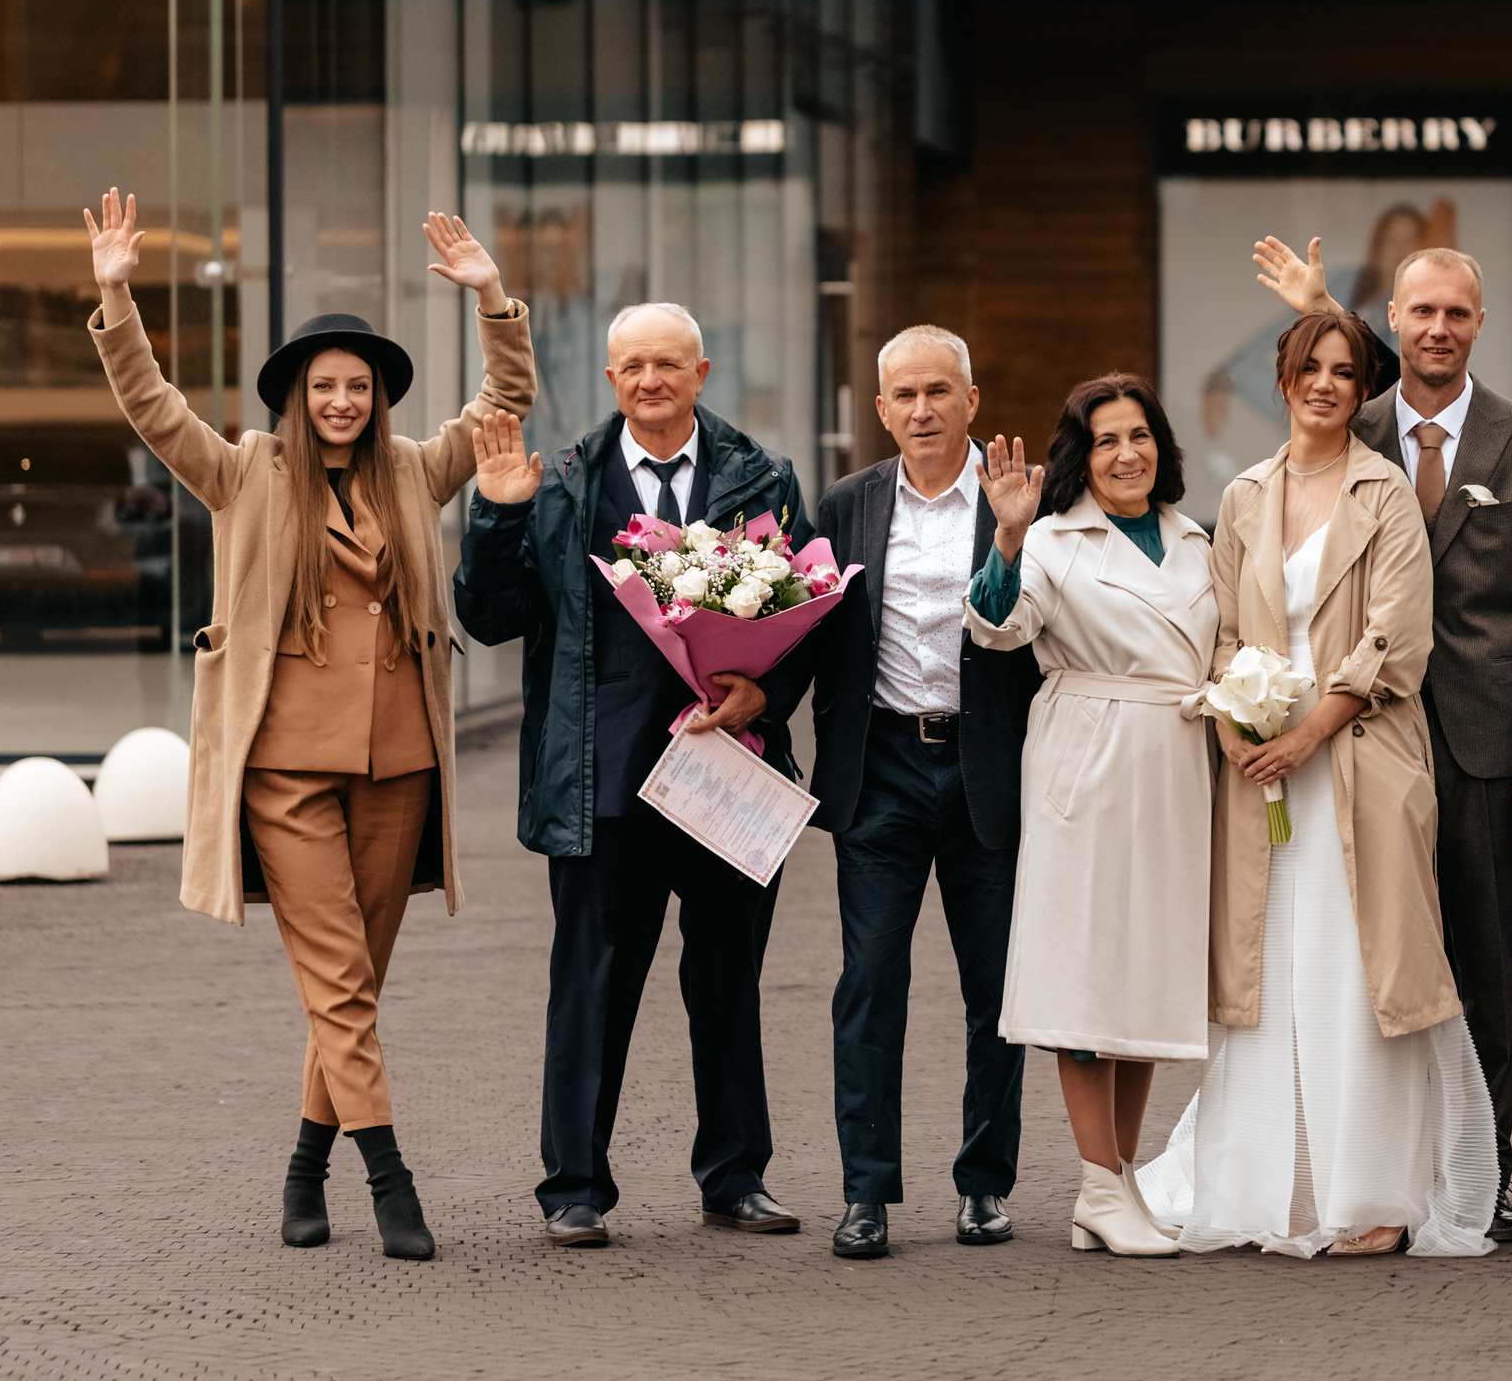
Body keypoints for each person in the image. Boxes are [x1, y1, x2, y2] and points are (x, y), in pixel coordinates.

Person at [84, 190, 536, 1261]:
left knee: (353, 990)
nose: (341, 400)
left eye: (357, 386)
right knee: (338, 981)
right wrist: (115, 292)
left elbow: (504, 403)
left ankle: (301, 1167)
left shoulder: (418, 472)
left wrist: (492, 299)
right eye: (324, 386)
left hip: (400, 767)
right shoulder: (246, 472)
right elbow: (151, 406)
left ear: (378, 397)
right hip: (284, 771)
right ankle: (390, 1180)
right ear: (296, 396)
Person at [456, 301, 810, 1250]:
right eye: (631, 367)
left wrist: (764, 693)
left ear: (702, 371)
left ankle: (736, 1175)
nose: (649, 380)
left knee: (729, 980)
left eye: (667, 363)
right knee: (591, 987)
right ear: (611, 383)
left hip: (723, 771)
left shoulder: (762, 478)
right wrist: (496, 511)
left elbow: (814, 614)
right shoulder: (563, 483)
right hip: (601, 782)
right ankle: (574, 1185)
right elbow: (490, 619)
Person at [1142, 308, 1496, 1259]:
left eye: (1346, 371)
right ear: (1285, 378)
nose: (1327, 384)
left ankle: (1373, 1195)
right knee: (1265, 972)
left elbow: (1400, 635)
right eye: (1312, 368)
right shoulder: (1247, 495)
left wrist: (1309, 731)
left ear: (1361, 387)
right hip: (1260, 765)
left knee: (1358, 969)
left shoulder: (1385, 494)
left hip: (1359, 754)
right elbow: (1218, 632)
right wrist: (1233, 722)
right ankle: (1265, 1189)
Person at [1249, 237, 1512, 1241]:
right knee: (1370, 965)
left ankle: (1476, 1183)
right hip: (1358, 742)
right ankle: (1381, 1176)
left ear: (1481, 324)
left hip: (1484, 748)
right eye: (1421, 312)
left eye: (1457, 313)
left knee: (1481, 967)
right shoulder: (1348, 431)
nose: (1438, 328)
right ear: (1394, 321)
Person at [961, 375, 1215, 1258]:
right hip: (1090, 759)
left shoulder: (1195, 538)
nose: (1127, 453)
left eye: (1139, 434)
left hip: (1178, 763)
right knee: (1088, 975)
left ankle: (1121, 1179)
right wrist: (1006, 535)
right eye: (1106, 440)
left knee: (1150, 977)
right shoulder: (1053, 540)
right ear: (1083, 454)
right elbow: (997, 628)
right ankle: (1096, 1182)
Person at [806, 326, 1042, 1261]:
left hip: (988, 769)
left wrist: (1020, 535)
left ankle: (984, 1185)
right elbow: (813, 627)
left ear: (972, 400)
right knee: (870, 984)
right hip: (882, 771)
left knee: (996, 992)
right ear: (880, 410)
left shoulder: (1024, 496)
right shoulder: (847, 503)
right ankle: (866, 1192)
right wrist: (743, 690)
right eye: (903, 395)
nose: (922, 410)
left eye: (939, 390)